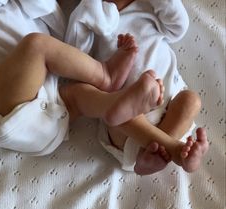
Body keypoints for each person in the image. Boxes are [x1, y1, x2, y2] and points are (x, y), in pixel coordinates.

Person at [65, 0, 209, 174]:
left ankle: (153, 153)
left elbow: (179, 26)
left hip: (169, 108)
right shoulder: (91, 12)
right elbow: (73, 56)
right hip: (126, 122)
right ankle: (173, 149)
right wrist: (91, 8)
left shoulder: (149, 6)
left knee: (191, 100)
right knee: (117, 111)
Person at [0, 32, 163, 155]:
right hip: (4, 109)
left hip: (49, 117)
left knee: (76, 97)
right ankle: (104, 75)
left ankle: (110, 105)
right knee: (36, 45)